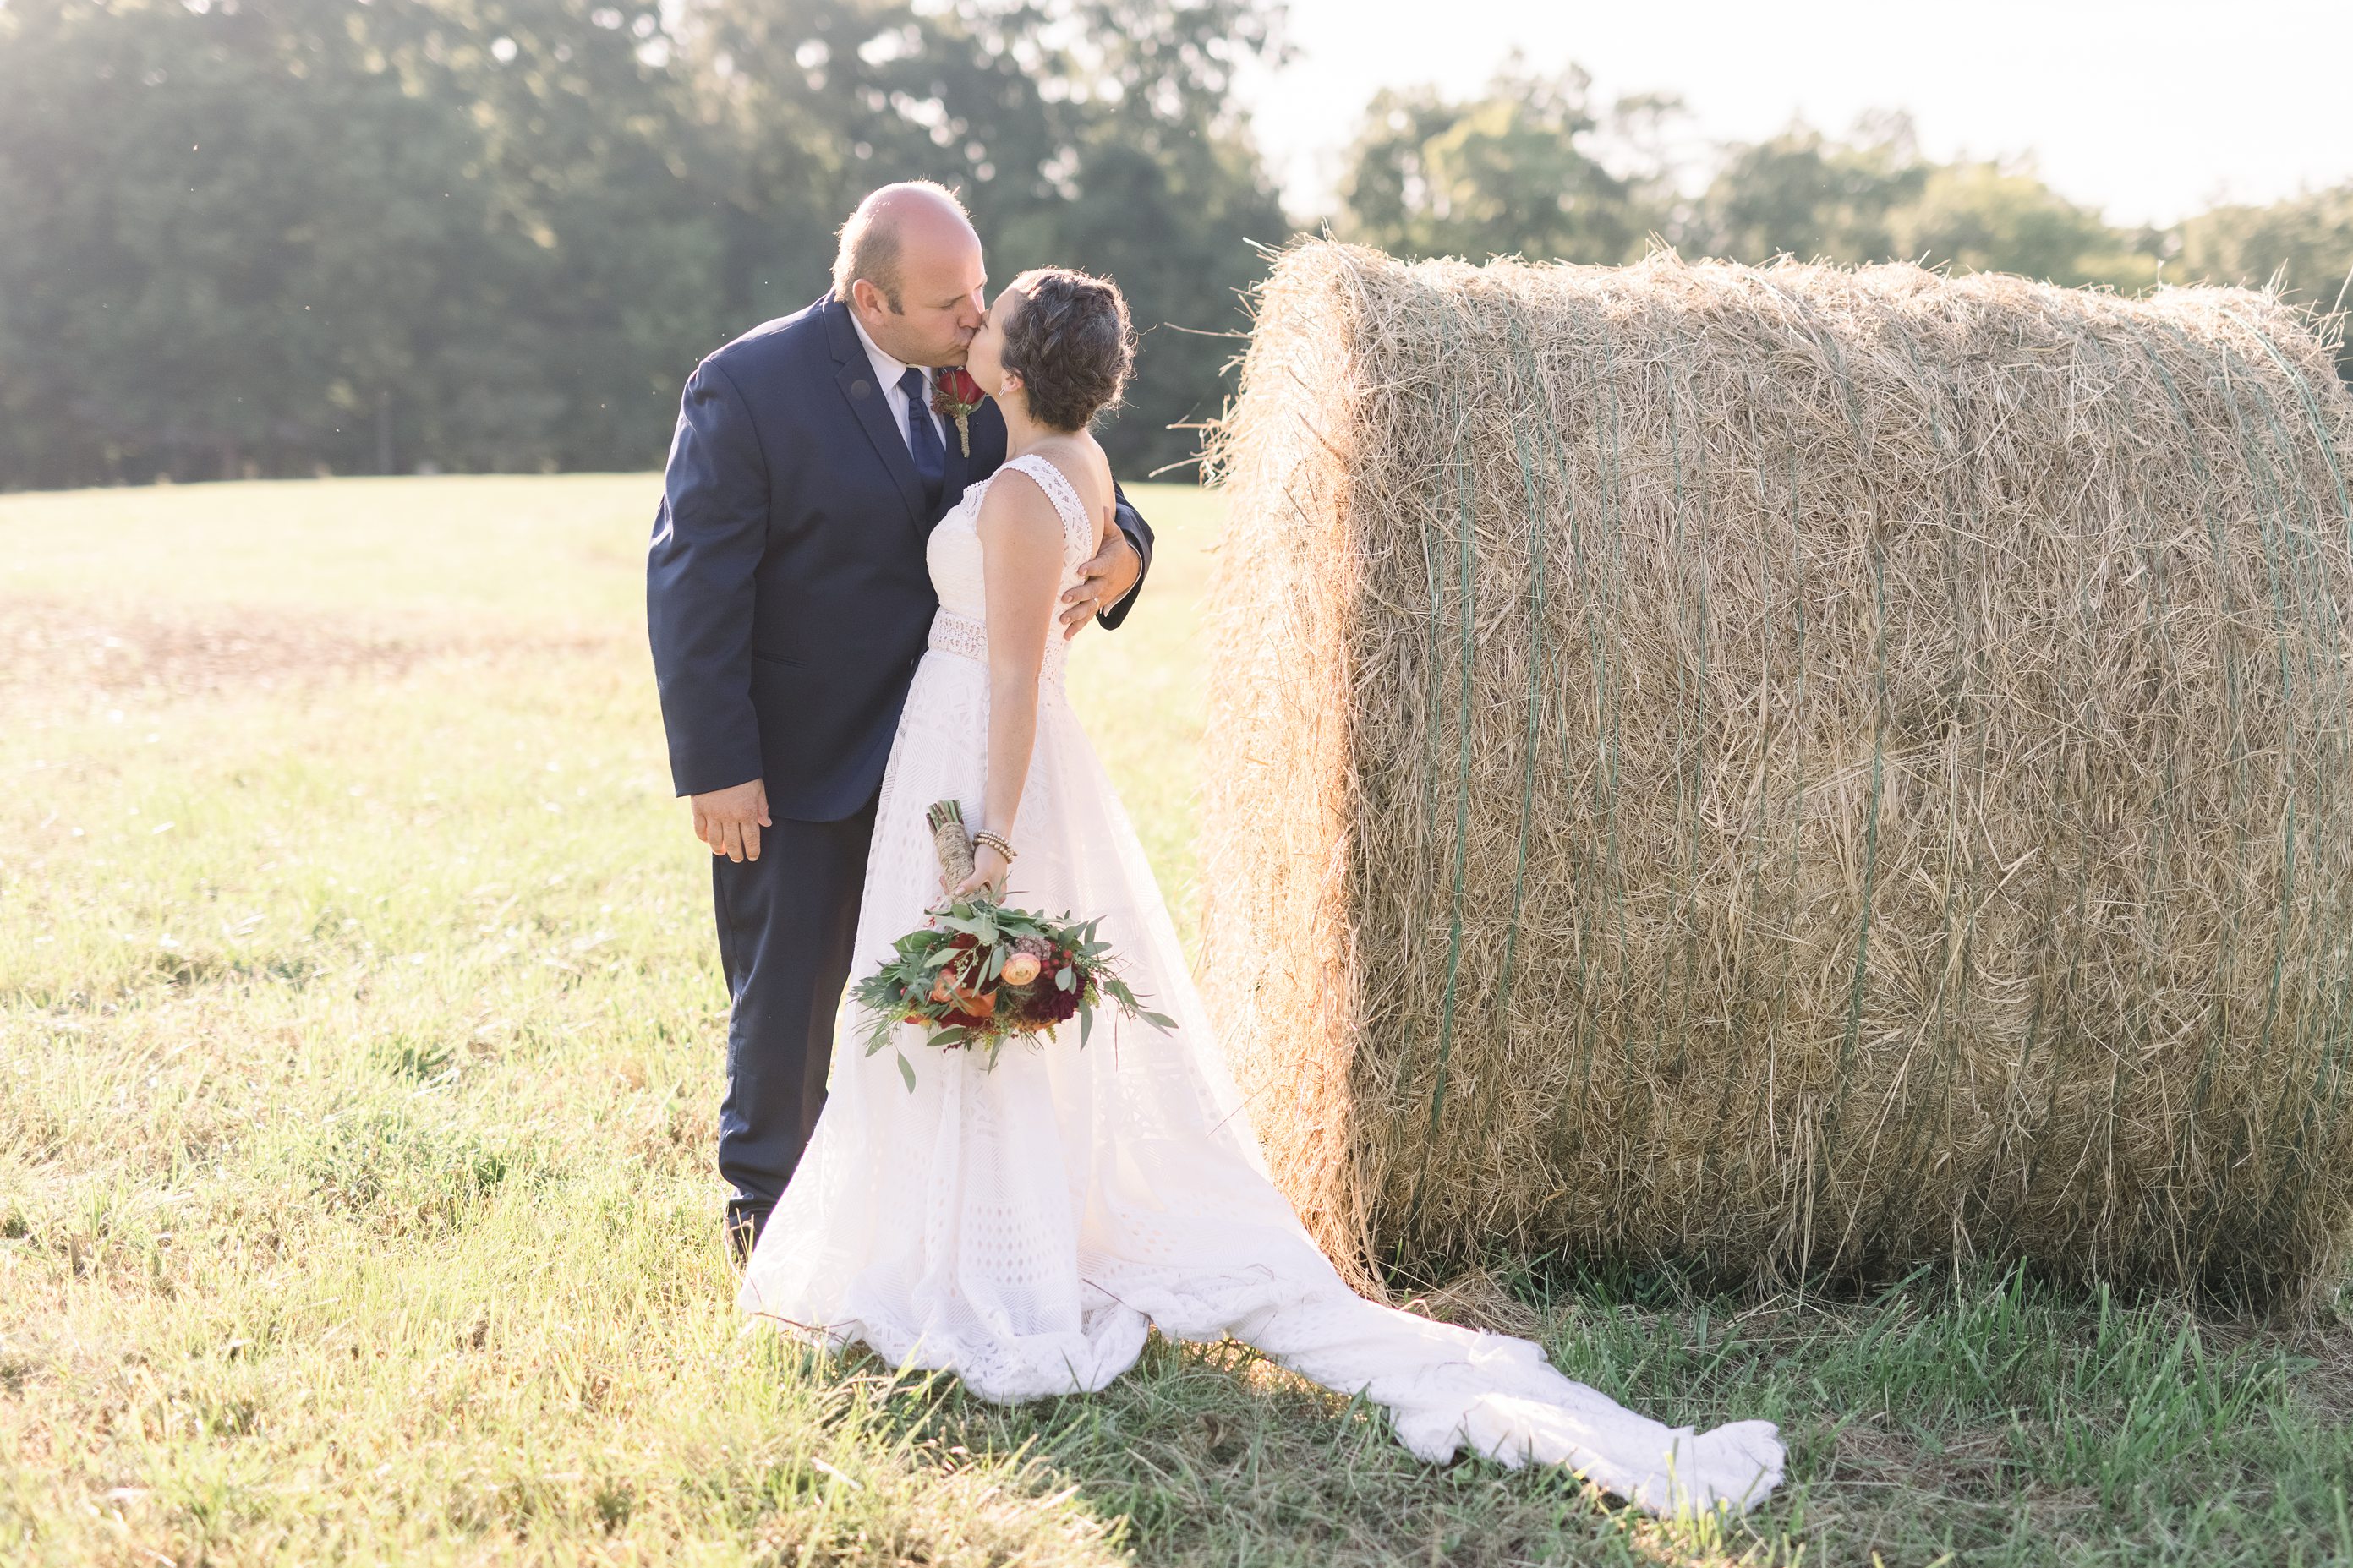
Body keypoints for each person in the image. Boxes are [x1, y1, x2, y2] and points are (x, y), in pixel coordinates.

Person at [736, 266, 1786, 1517]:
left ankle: (985, 1261)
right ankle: (975, 1228)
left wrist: (991, 850)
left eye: (991, 315)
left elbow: (1014, 680)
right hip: (983, 746)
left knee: (981, 1019)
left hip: (982, 761)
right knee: (991, 1026)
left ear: (1012, 369)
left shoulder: (1021, 494)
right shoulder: (1077, 465)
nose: (973, 321)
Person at [646, 183, 1156, 1261]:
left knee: (943, 993)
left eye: (981, 292)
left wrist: (1128, 551)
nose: (977, 319)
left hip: (948, 750)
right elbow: (692, 585)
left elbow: (1055, 467)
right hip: (800, 758)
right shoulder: (749, 387)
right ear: (871, 301)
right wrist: (719, 767)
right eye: (950, 303)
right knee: (789, 988)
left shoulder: (980, 375)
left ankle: (930, 1214)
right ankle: (768, 1214)